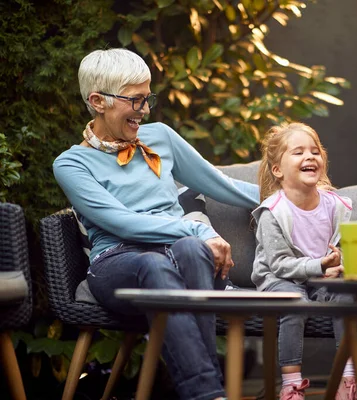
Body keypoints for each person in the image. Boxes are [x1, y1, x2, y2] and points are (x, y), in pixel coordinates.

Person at [53, 48, 260, 400]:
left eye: (148, 99)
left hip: (176, 254)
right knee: (158, 260)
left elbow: (220, 184)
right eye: (135, 100)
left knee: (192, 252)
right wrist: (197, 228)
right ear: (98, 101)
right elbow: (124, 224)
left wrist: (292, 196)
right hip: (116, 263)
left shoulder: (161, 137)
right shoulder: (71, 164)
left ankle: (207, 394)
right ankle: (208, 392)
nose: (145, 111)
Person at [251, 122, 357, 400]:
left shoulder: (335, 205)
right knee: (294, 302)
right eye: (298, 152)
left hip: (320, 277)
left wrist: (340, 264)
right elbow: (280, 265)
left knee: (346, 296)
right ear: (278, 170)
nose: (309, 157)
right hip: (280, 278)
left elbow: (342, 248)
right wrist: (320, 265)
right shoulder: (272, 212)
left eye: (315, 151)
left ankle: (347, 379)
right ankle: (291, 384)